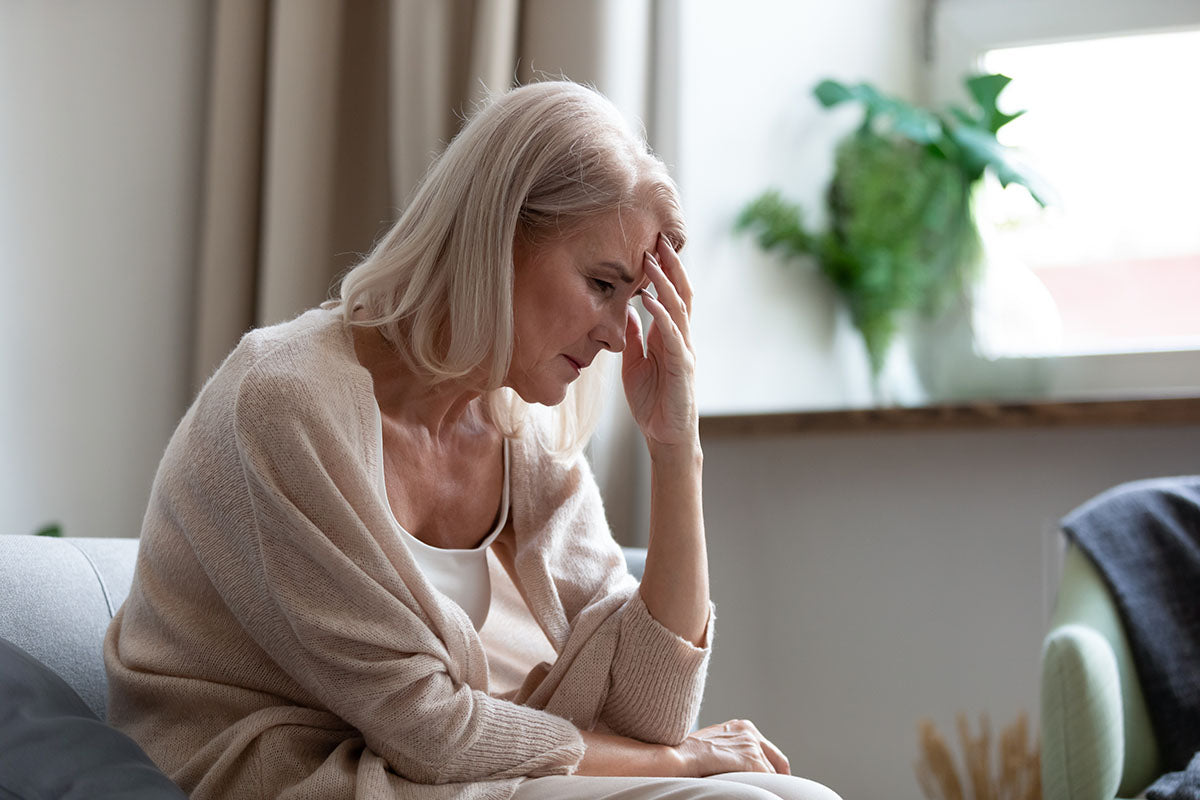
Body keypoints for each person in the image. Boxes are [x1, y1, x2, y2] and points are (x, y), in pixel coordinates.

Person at [104, 80, 841, 800]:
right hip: (298, 771)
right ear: (499, 237)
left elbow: (650, 712)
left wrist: (676, 449)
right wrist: (680, 763)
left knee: (800, 795)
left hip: (441, 768)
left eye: (635, 301)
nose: (621, 335)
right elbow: (430, 731)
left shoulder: (522, 429)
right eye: (602, 285)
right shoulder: (285, 400)